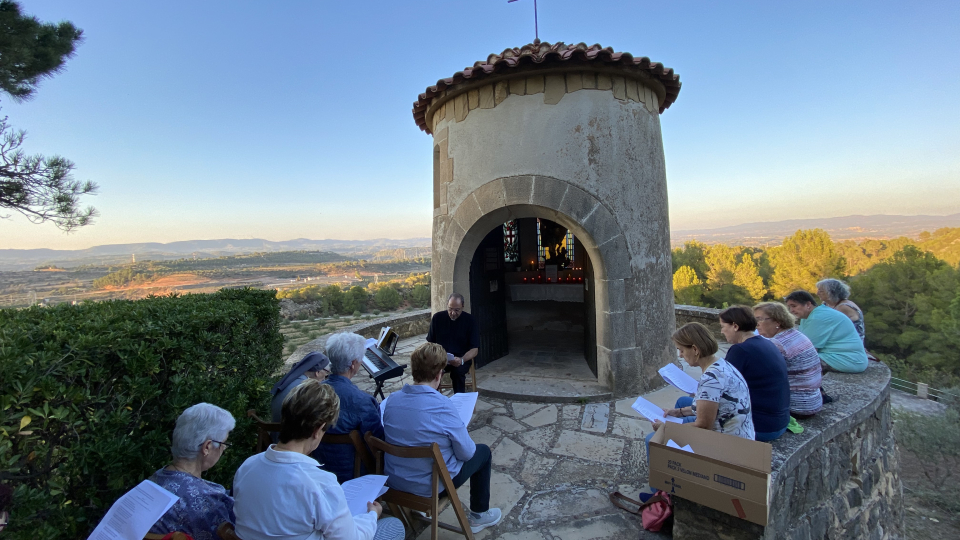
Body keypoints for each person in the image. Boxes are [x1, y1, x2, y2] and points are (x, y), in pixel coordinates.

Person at [233, 380, 404, 540]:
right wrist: (372, 515)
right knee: (394, 526)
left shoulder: (247, 467)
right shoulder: (319, 484)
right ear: (318, 430)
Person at [382, 342, 503, 533]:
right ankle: (479, 515)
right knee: (483, 452)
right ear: (439, 374)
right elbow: (467, 453)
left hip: (396, 481)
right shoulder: (442, 406)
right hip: (429, 487)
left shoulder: (392, 401)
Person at [645, 323, 754, 460]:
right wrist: (677, 412)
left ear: (695, 349)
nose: (680, 355)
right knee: (682, 402)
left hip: (728, 442)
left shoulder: (711, 379)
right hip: (738, 430)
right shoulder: (720, 364)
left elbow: (703, 426)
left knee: (651, 440)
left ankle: (662, 477)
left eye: (682, 350)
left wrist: (666, 428)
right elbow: (711, 406)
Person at [148, 403, 236, 540]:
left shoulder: (154, 480)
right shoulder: (209, 503)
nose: (223, 450)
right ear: (207, 447)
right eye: (224, 444)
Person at [315, 332, 385, 484]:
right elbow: (377, 445)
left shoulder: (311, 394)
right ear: (353, 364)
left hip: (317, 470)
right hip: (353, 475)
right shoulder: (363, 402)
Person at [719, 306, 791, 442]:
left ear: (735, 326)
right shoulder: (766, 343)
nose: (722, 331)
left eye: (723, 326)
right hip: (779, 421)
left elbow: (721, 390)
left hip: (760, 426)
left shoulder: (740, 350)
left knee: (684, 408)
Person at [754, 302, 823, 418]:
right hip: (813, 402)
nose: (756, 324)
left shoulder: (776, 344)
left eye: (760, 319)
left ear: (777, 322)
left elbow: (759, 377)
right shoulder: (795, 334)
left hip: (796, 406)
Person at [786, 290, 868, 374]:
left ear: (808, 304)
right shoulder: (811, 316)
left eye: (794, 306)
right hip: (838, 357)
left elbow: (807, 350)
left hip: (847, 361)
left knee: (790, 364)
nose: (791, 310)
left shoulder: (818, 318)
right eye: (789, 307)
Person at [426, 293, 480, 394]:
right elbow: (430, 343)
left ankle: (459, 402)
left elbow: (474, 349)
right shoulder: (437, 318)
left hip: (461, 358)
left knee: (458, 373)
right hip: (440, 358)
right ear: (447, 304)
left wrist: (462, 360)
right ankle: (433, 400)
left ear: (462, 306)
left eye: (457, 310)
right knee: (429, 372)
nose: (453, 313)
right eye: (450, 309)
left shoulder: (470, 321)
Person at [271, 351, 331, 422]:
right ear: (317, 372)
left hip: (275, 429)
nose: (324, 379)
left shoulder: (292, 380)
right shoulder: (305, 388)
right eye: (326, 374)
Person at [816, 278, 865, 342]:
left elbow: (832, 327)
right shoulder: (826, 304)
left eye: (821, 291)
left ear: (831, 293)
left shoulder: (843, 307)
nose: (817, 293)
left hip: (850, 342)